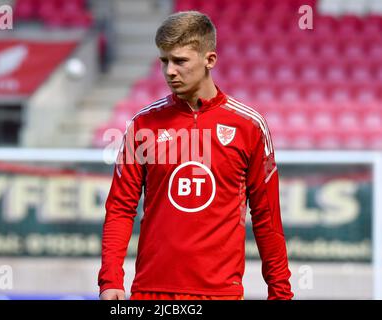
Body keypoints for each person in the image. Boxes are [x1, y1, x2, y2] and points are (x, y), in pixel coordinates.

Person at [98, 11, 294, 300]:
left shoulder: (248, 126)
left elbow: (267, 218)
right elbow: (120, 208)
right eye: (164, 61)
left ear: (209, 60)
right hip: (151, 293)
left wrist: (280, 293)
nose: (169, 71)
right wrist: (111, 279)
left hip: (220, 294)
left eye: (180, 61)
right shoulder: (143, 125)